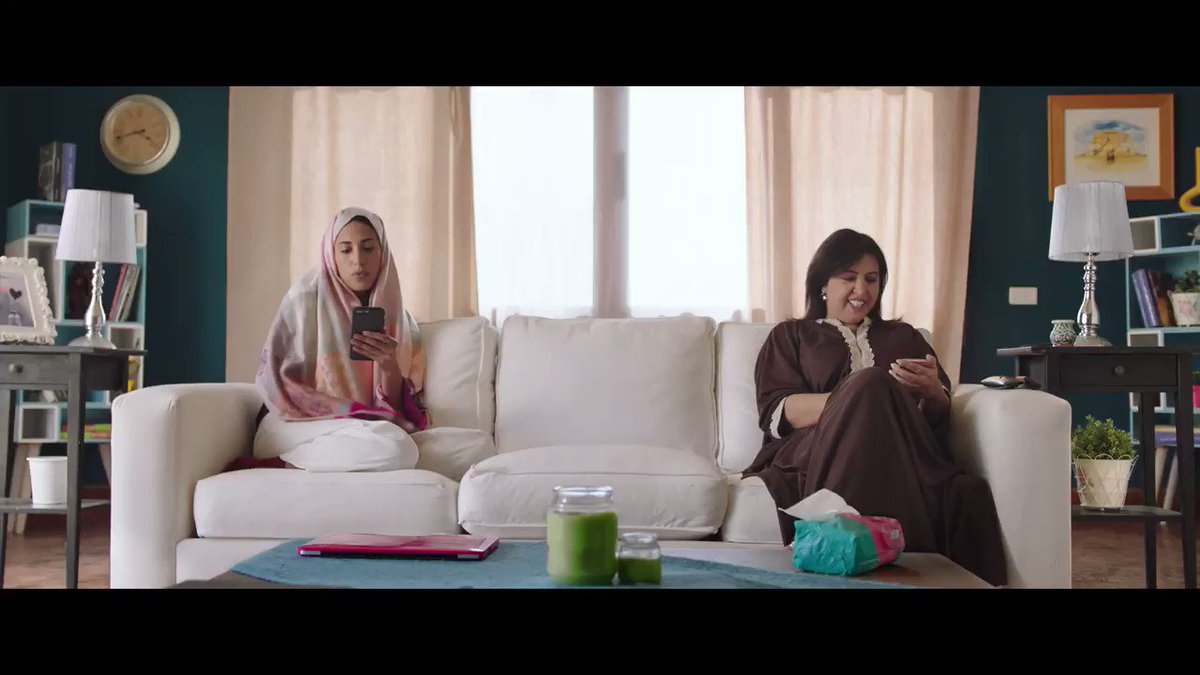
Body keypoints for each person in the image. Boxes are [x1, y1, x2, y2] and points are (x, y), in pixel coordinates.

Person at [742, 228, 1008, 586]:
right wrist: (861, 398)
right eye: (848, 278)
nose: (861, 290)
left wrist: (933, 392)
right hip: (816, 446)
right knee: (871, 384)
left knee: (965, 490)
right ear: (823, 284)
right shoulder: (791, 336)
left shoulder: (905, 337)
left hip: (903, 449)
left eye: (871, 279)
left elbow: (935, 420)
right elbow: (780, 411)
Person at [240, 207, 430, 473]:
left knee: (471, 445)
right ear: (331, 254)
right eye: (346, 250)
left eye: (368, 248)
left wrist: (389, 368)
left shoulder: (400, 320)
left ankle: (337, 462)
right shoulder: (303, 301)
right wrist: (354, 415)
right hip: (294, 422)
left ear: (383, 253)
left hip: (363, 427)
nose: (358, 260)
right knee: (397, 447)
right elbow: (280, 386)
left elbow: (397, 414)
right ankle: (283, 461)